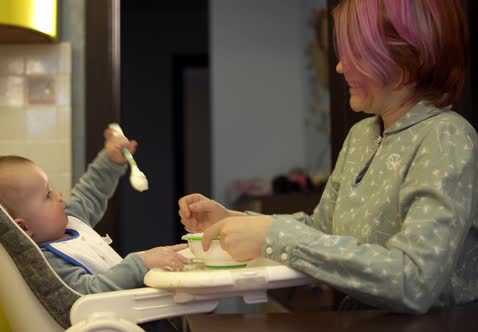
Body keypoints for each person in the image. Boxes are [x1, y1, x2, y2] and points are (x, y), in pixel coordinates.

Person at [179, 0, 477, 314]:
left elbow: (414, 279)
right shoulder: (361, 136)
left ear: (407, 56)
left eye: (357, 53)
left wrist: (272, 236)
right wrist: (233, 220)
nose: (340, 66)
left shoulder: (446, 138)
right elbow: (321, 230)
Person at [0, 128, 189, 295]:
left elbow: (90, 192)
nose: (59, 195)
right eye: (47, 195)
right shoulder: (49, 264)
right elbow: (89, 293)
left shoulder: (72, 221)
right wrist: (141, 263)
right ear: (23, 227)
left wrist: (111, 162)